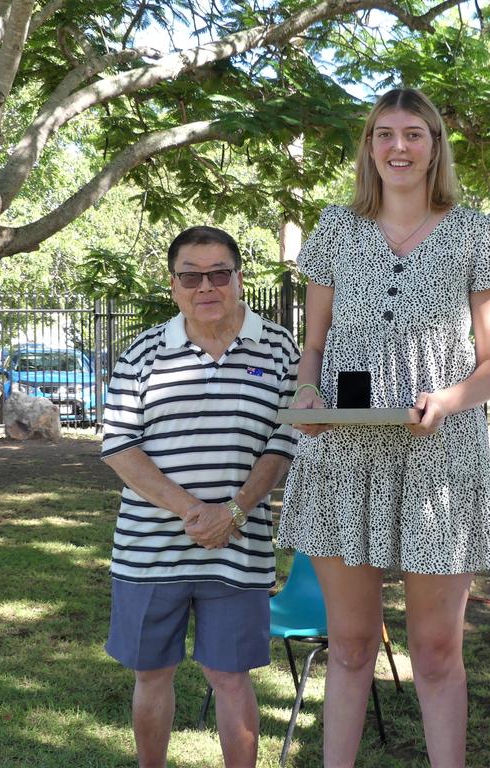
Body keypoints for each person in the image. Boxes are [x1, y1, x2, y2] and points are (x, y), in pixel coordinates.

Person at [277, 88, 490, 767]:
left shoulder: (479, 233)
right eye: (383, 133)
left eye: (413, 133)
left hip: (440, 457)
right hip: (342, 456)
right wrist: (306, 395)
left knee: (437, 651)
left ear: (434, 146)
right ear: (368, 148)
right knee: (351, 646)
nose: (397, 146)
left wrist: (446, 400)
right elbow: (315, 348)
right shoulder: (335, 229)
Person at [100, 226, 299, 768]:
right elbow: (119, 446)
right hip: (148, 549)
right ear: (173, 285)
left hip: (240, 547)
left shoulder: (280, 348)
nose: (205, 286)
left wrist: (232, 514)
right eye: (191, 275)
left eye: (219, 273)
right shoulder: (141, 352)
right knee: (152, 673)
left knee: (230, 677)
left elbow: (284, 441)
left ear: (239, 279)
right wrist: (194, 511)